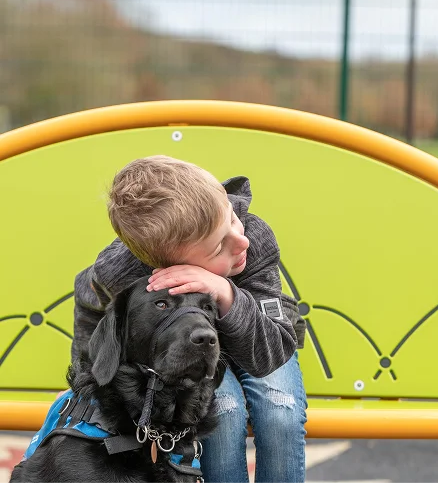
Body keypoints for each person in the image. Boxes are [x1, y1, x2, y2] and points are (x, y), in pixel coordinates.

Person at [72, 155, 307, 483]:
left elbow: (270, 354)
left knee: (279, 411)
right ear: (168, 266)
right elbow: (92, 310)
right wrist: (85, 379)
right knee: (223, 411)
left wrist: (225, 291)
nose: (242, 242)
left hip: (263, 338)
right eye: (217, 248)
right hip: (190, 350)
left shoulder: (253, 237)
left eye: (232, 221)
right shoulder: (119, 272)